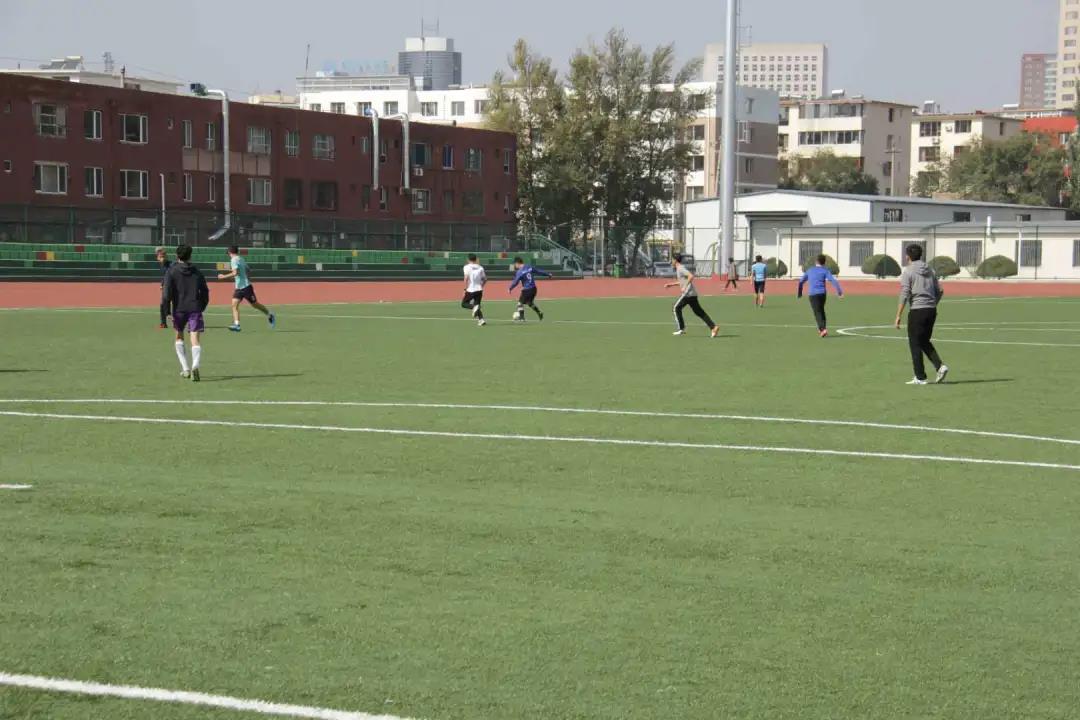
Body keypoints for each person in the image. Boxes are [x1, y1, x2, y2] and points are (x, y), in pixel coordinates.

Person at [895, 244, 949, 385]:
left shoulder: (908, 271)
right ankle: (940, 366)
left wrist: (898, 315)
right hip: (931, 310)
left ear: (908, 256)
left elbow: (904, 293)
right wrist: (932, 304)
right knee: (924, 341)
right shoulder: (930, 270)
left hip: (917, 311)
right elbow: (940, 291)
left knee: (915, 343)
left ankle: (920, 377)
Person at [163, 244, 209, 382]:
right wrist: (201, 306)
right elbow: (205, 291)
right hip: (195, 308)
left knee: (179, 336)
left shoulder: (171, 271)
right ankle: (195, 365)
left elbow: (166, 293)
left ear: (177, 255)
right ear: (190, 256)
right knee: (195, 338)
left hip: (179, 309)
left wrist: (167, 311)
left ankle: (185, 369)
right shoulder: (197, 271)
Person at [218, 246, 275, 332]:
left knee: (255, 304)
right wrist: (244, 277)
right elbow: (248, 269)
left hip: (246, 287)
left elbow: (235, 273)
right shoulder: (241, 258)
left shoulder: (233, 260)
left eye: (228, 253)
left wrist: (223, 277)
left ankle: (270, 314)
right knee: (234, 305)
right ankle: (237, 325)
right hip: (239, 288)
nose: (228, 255)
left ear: (230, 252)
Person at [666, 253, 720, 338]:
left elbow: (691, 276)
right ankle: (713, 327)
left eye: (672, 259)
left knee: (676, 308)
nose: (671, 261)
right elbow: (682, 281)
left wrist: (685, 286)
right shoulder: (679, 269)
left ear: (675, 260)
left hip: (688, 294)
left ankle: (681, 329)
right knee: (699, 312)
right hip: (692, 294)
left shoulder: (680, 268)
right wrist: (671, 285)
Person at [797, 254, 843, 337]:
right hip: (822, 294)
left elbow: (801, 281)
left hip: (813, 294)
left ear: (816, 262)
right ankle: (822, 328)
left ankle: (822, 329)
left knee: (817, 312)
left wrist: (800, 292)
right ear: (824, 262)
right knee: (821, 310)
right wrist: (839, 292)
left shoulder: (810, 270)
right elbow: (834, 281)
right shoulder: (825, 270)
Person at [508, 257, 551, 322]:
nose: (515, 266)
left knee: (520, 303)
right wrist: (548, 274)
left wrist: (510, 288)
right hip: (534, 289)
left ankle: (522, 318)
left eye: (515, 264)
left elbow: (515, 282)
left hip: (527, 290)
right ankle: (539, 312)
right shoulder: (529, 267)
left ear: (517, 263)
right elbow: (538, 271)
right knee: (529, 303)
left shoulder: (520, 272)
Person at [462, 254, 487, 327]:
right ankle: (481, 320)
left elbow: (466, 278)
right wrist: (481, 286)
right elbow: (485, 279)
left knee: (464, 304)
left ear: (468, 259)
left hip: (471, 289)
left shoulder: (466, 267)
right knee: (477, 305)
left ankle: (474, 307)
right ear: (476, 259)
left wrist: (465, 289)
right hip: (479, 290)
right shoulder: (480, 267)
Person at [156, 247, 171, 329]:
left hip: (172, 287)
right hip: (166, 287)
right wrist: (162, 284)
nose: (162, 258)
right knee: (163, 304)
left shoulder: (170, 264)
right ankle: (163, 323)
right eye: (160, 256)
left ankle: (169, 317)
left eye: (163, 256)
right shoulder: (162, 265)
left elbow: (168, 276)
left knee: (178, 304)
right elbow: (164, 276)